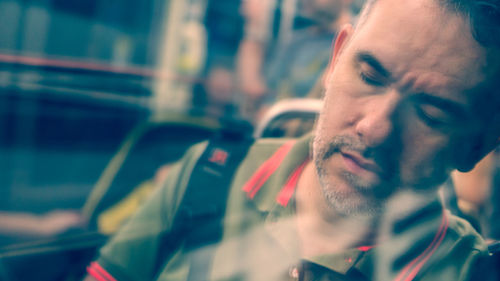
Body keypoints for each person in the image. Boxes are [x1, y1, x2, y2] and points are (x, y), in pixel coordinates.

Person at [85, 0, 500, 280]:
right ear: (336, 60)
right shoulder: (209, 174)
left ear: (476, 145)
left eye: (431, 113)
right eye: (370, 76)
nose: (374, 128)